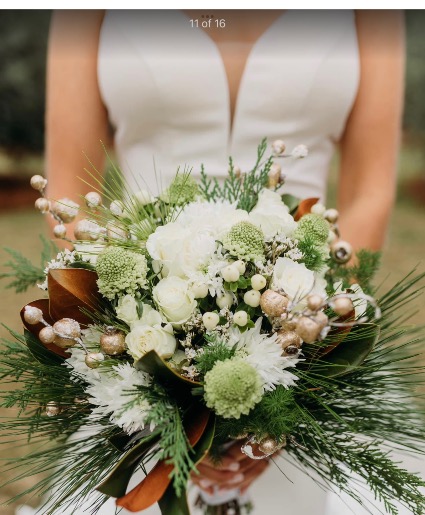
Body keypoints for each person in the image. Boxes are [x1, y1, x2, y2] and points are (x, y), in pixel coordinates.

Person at [22, 8, 405, 515]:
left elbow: (369, 194)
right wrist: (144, 369)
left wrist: (311, 360)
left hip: (307, 311)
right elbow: (71, 188)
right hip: (138, 332)